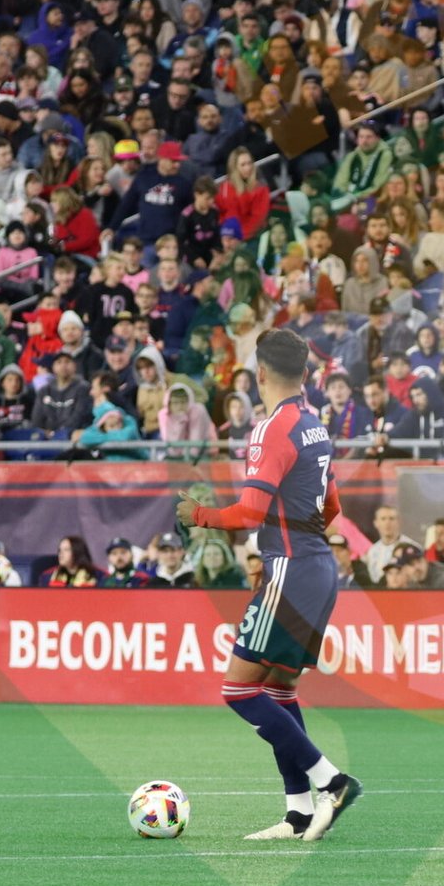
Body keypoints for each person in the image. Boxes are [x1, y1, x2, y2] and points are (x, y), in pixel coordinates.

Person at [177, 328, 359, 843]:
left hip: (292, 568)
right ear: (304, 373)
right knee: (279, 689)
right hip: (318, 567)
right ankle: (298, 813)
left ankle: (333, 782)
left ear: (259, 373)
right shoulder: (315, 426)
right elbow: (332, 507)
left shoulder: (270, 429)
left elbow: (249, 513)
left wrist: (199, 515)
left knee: (238, 689)